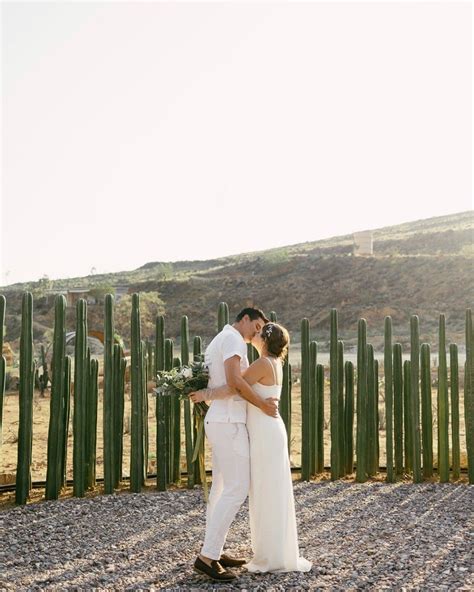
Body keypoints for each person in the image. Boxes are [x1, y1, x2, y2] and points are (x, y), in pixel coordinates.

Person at [191, 321, 311, 577]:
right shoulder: (274, 363)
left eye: (258, 334)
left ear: (264, 340)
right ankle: (273, 550)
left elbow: (235, 387)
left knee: (264, 490)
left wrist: (204, 394)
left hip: (264, 431)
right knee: (270, 489)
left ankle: (267, 554)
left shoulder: (261, 363)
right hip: (268, 428)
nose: (253, 335)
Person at [191, 307, 280, 582]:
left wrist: (206, 394)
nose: (257, 332)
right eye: (256, 325)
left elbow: (227, 382)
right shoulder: (232, 340)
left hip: (221, 420)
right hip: (228, 422)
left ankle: (214, 550)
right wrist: (262, 404)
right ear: (244, 319)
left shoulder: (223, 338)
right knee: (237, 487)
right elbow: (235, 382)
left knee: (220, 490)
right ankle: (207, 557)